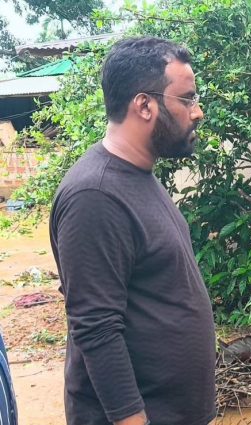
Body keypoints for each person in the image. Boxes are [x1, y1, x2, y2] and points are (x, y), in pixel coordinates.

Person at [50, 37, 215, 425]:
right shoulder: (95, 196)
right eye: (187, 99)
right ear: (144, 105)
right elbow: (96, 329)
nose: (198, 112)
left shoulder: (137, 176)